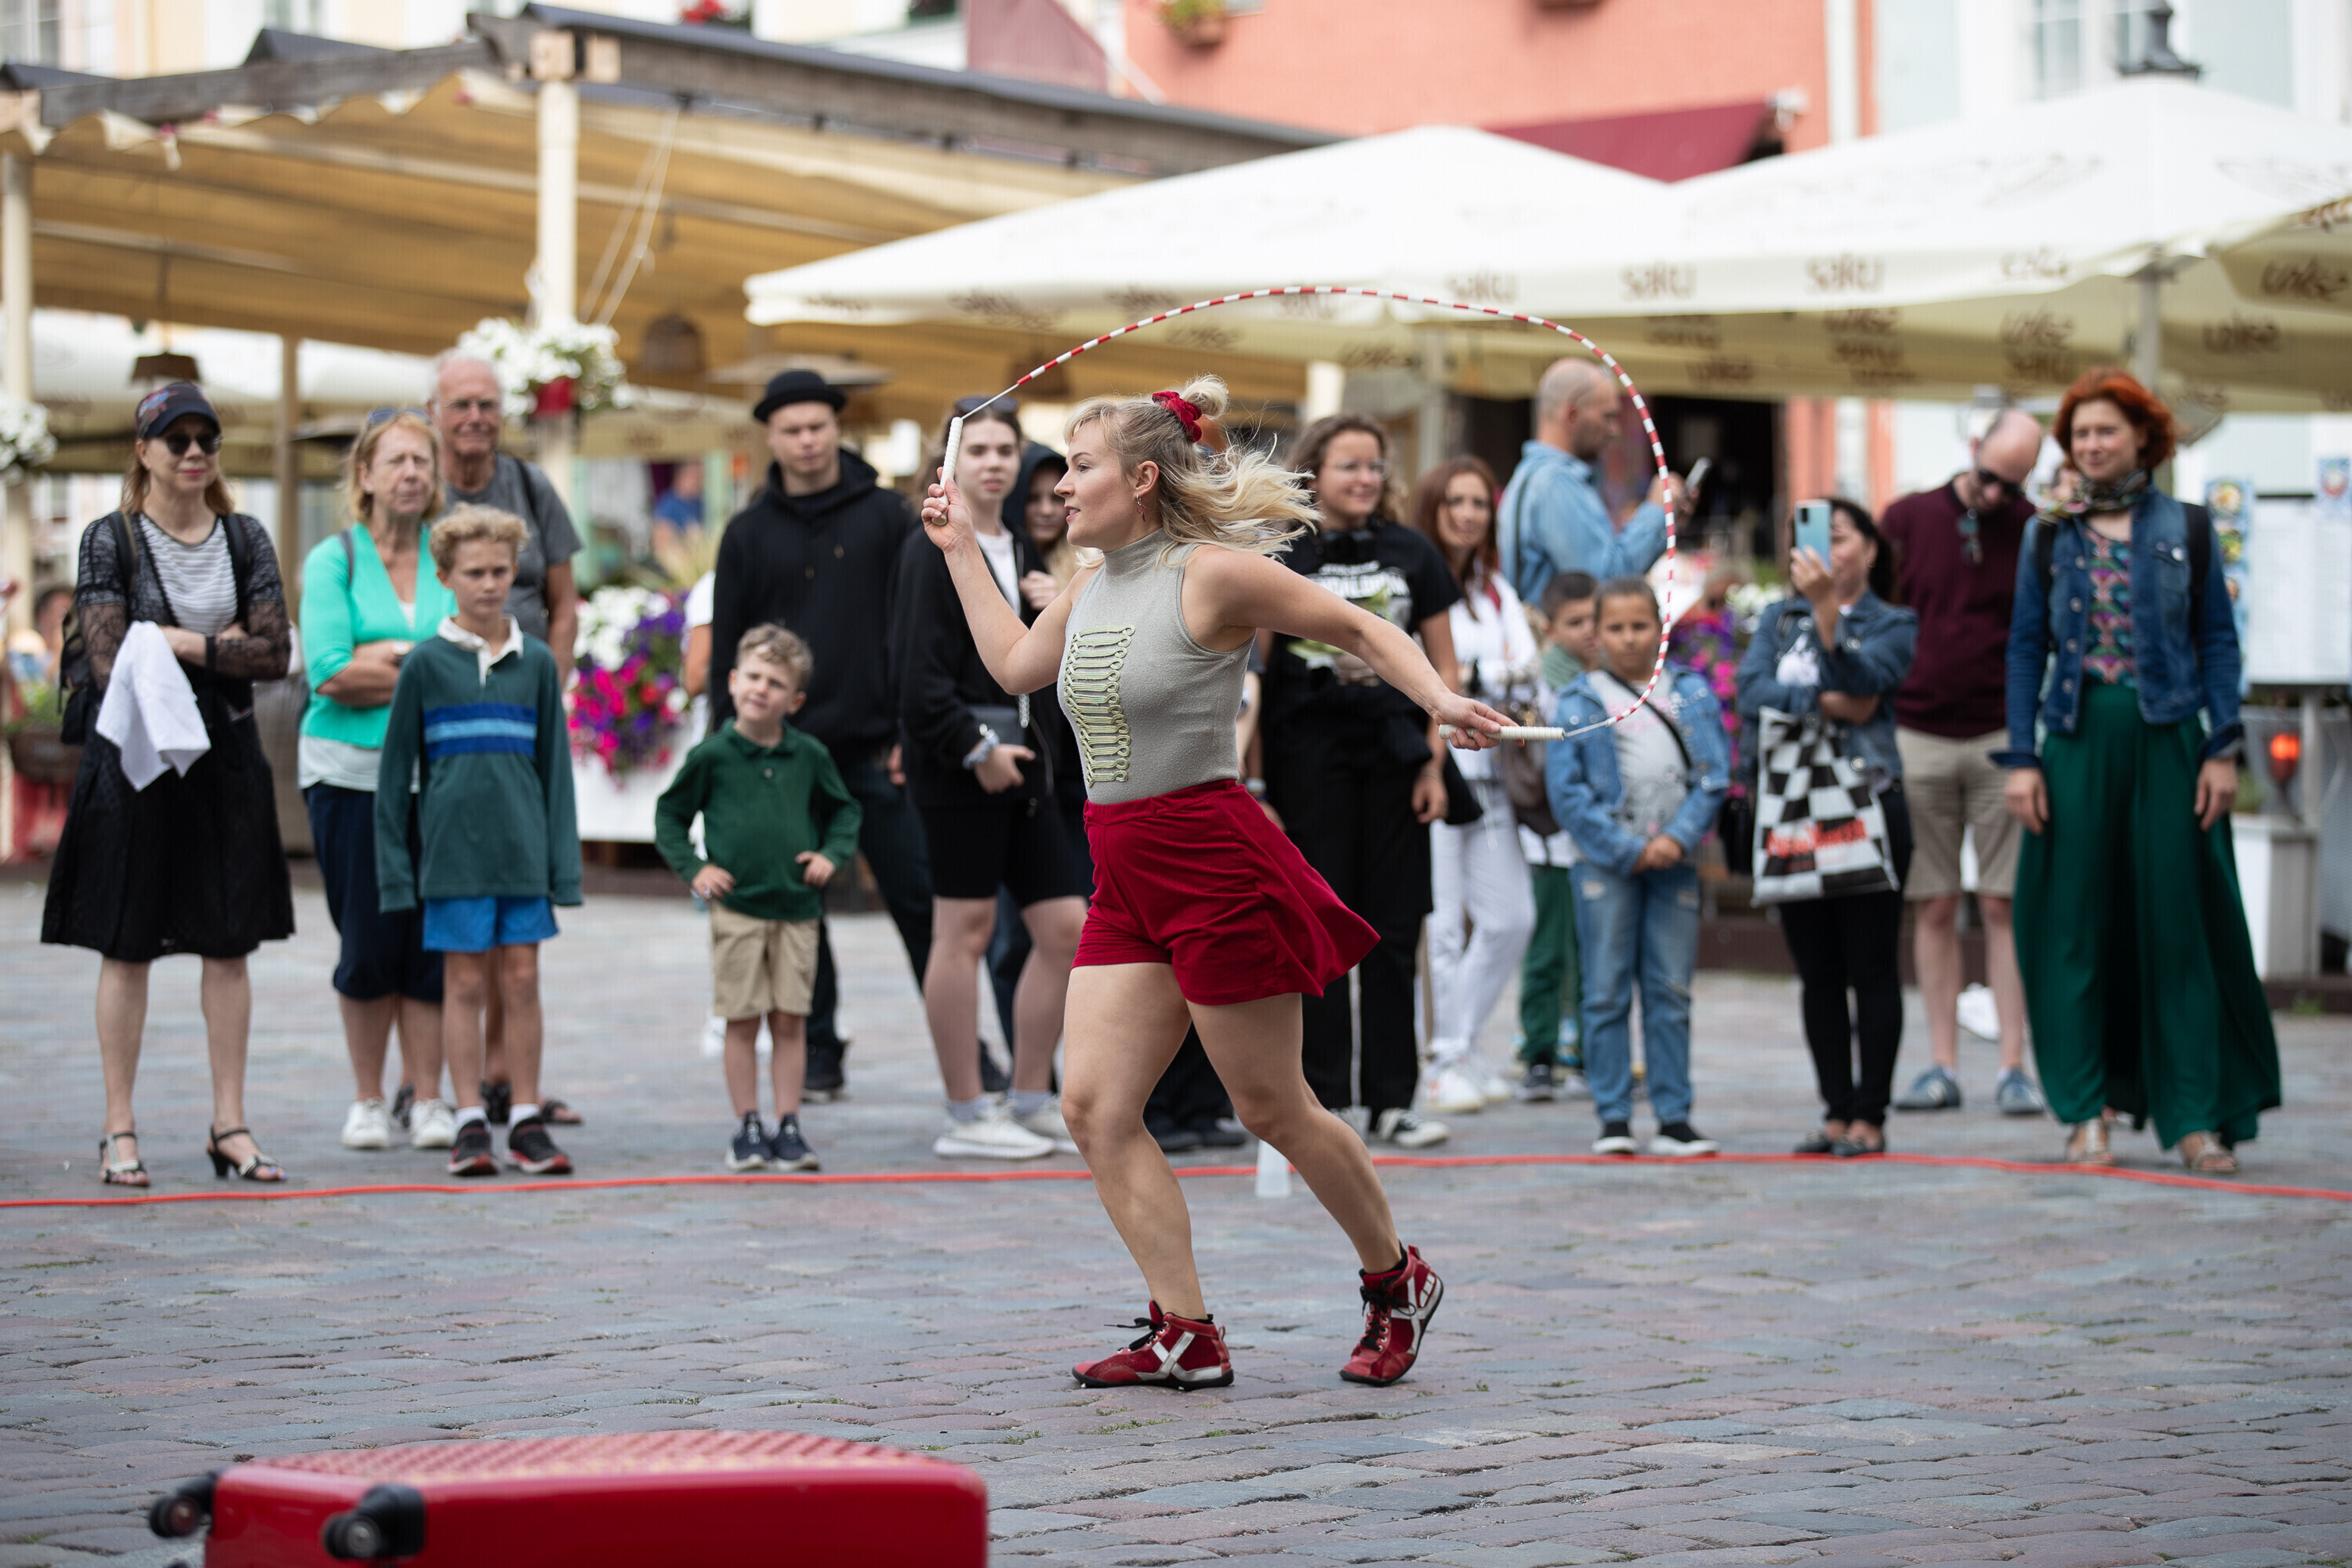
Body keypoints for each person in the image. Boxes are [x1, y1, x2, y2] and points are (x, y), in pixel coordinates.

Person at [918, 376, 1510, 1390]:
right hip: (1123, 868)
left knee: (1273, 1106)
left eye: (1082, 465)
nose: (1061, 484)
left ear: (1143, 479)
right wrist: (960, 550)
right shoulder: (1088, 584)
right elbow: (1014, 667)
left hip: (1212, 861)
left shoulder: (1214, 574)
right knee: (1094, 1107)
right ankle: (1185, 1331)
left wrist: (1439, 700)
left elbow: (1362, 629)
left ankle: (1396, 1278)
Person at [2000, 368, 2278, 1174]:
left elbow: (2218, 642)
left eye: (2106, 431)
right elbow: (2025, 650)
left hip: (2170, 741)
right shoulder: (2048, 534)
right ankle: (2085, 1111)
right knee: (2073, 927)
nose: (2091, 445)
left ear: (2143, 438)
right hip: (2077, 739)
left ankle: (2193, 1116)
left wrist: (2222, 747)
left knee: (2178, 927)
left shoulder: (2189, 528)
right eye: (2079, 434)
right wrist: (2022, 759)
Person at [42, 382, 296, 1185]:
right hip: (138, 762)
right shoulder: (110, 538)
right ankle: (119, 1127)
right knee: (128, 941)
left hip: (226, 756)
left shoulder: (245, 537)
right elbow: (110, 658)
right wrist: (220, 644)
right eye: (176, 438)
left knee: (230, 943)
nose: (193, 452)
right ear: (143, 450)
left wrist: (177, 642)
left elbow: (275, 653)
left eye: (206, 439)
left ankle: (231, 1123)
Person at [709, 368, 931, 1102]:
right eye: (792, 429)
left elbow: (916, 627)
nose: (807, 440)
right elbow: (726, 650)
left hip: (878, 747)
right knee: (801, 910)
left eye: (817, 426)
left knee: (921, 902)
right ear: (771, 438)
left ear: (838, 428)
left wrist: (911, 728)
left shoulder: (888, 516)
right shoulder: (747, 533)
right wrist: (727, 752)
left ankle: (964, 1053)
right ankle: (821, 1051)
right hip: (786, 757)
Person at [1257, 412, 1462, 1150]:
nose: (1366, 478)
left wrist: (1435, 766)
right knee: (1320, 929)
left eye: (1375, 466)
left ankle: (1393, 1099)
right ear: (1314, 472)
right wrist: (1257, 785)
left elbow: (1445, 670)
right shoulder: (1280, 549)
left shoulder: (1413, 551)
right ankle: (1326, 1100)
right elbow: (1254, 671)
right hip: (1308, 763)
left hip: (1396, 761)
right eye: (1350, 465)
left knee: (1395, 929)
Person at [895, 401, 1087, 1160]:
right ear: (950, 458)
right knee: (964, 930)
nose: (995, 463)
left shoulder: (1026, 548)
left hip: (1030, 765)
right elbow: (916, 680)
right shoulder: (931, 547)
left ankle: (1031, 1096)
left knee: (1066, 928)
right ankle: (967, 1109)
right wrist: (976, 749)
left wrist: (1052, 611)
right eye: (977, 449)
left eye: (1006, 449)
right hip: (959, 765)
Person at [375, 504, 583, 1180]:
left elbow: (555, 774)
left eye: (500, 571)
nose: (490, 584)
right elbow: (393, 780)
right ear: (445, 577)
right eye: (474, 573)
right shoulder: (425, 666)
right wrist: (396, 874)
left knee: (522, 979)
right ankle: (467, 1117)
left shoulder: (538, 664)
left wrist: (563, 870)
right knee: (462, 983)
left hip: (522, 855)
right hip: (453, 857)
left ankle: (524, 1115)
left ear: (515, 570)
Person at [429, 351, 586, 1127]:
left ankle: (503, 1079)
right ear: (434, 411)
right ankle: (436, 1088)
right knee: (457, 926)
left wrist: (545, 687)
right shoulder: (417, 487)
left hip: (521, 708)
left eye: (487, 404)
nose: (475, 418)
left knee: (515, 937)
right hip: (446, 712)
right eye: (460, 404)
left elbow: (564, 602)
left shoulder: (529, 486)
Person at [1737, 500, 1918, 1158]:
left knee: (1872, 965)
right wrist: (1829, 702)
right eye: (1811, 540)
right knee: (1818, 972)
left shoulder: (1893, 622)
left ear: (1870, 549)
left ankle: (1871, 1116)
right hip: (1791, 809)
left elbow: (1870, 683)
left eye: (1838, 539)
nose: (1823, 552)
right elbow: (1752, 692)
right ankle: (1836, 1112)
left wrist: (1827, 615)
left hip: (1867, 805)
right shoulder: (1775, 619)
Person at [1881, 409, 2049, 1116]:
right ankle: (1942, 1064)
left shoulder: (2035, 527)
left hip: (2001, 734)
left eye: (2014, 485)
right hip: (1918, 728)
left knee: (2005, 903)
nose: (1997, 496)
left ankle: (2014, 1065)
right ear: (1972, 448)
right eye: (1990, 478)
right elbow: (1879, 612)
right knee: (1936, 903)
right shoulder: (1909, 517)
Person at [300, 412, 457, 1156]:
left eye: (422, 460)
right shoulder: (334, 559)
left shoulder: (450, 556)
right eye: (395, 460)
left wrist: (388, 657)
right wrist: (422, 660)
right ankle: (367, 1098)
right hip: (349, 776)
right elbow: (330, 673)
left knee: (429, 942)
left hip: (440, 776)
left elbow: (471, 659)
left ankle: (427, 1097)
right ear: (364, 475)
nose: (411, 473)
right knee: (366, 939)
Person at [656, 624, 860, 1173]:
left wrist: (831, 855)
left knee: (791, 1020)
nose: (760, 689)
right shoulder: (712, 755)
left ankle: (789, 1124)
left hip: (798, 911)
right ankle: (748, 1125)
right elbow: (670, 815)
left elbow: (844, 811)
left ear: (794, 700)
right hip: (738, 911)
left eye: (775, 683)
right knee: (742, 1020)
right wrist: (695, 868)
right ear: (731, 681)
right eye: (752, 677)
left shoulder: (809, 755)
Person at [1547, 575, 1730, 1159]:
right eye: (1616, 628)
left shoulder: (1689, 692)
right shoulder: (1580, 700)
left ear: (1660, 628)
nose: (1629, 638)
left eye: (1640, 626)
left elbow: (1714, 776)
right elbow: (1568, 792)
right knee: (1604, 990)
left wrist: (1677, 838)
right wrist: (1627, 849)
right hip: (1605, 866)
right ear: (1597, 635)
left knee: (1671, 988)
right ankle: (1614, 1116)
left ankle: (1675, 1117)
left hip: (1675, 862)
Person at [1410, 456, 1537, 1115]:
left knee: (1513, 917)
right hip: (1436, 774)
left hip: (1495, 776)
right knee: (1442, 928)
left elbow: (1525, 669)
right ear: (1432, 508)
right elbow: (1428, 676)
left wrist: (1475, 678)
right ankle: (1442, 1061)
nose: (1467, 515)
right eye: (1454, 501)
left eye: (1478, 503)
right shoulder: (1413, 578)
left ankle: (1459, 1047)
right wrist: (1483, 678)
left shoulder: (1495, 590)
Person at [1497, 358, 1683, 606]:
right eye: (1608, 417)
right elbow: (1606, 585)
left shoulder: (1533, 474)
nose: (1615, 431)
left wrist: (1667, 519)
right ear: (1572, 416)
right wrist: (1657, 511)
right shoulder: (1556, 482)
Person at [1514, 570, 1599, 1102]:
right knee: (1548, 948)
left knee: (1593, 953)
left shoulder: (1608, 678)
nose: (1588, 631)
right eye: (1574, 621)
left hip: (1595, 839)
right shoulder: (1539, 682)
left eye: (1594, 619)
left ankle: (1594, 1054)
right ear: (1549, 627)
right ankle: (1539, 1052)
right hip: (1549, 837)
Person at [655, 462, 706, 535]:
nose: (697, 482)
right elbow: (661, 532)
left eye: (699, 477)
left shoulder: (699, 503)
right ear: (681, 476)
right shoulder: (669, 503)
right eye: (693, 476)